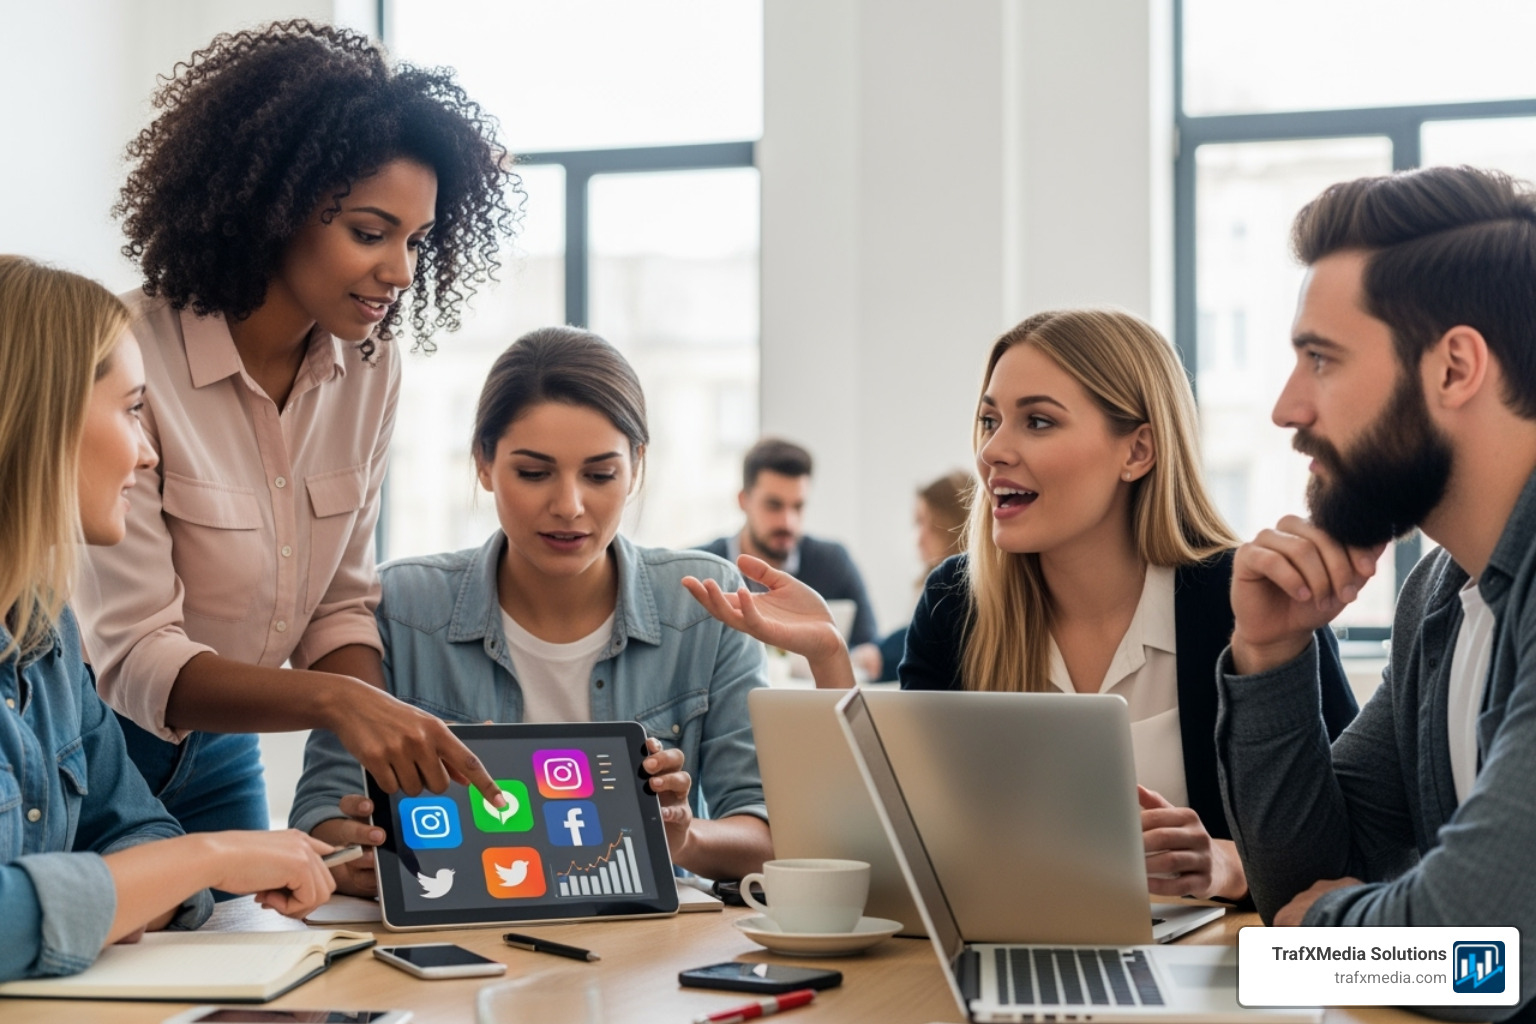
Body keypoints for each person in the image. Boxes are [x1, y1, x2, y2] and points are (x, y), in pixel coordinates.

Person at [686, 309, 1356, 902]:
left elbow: (1352, 850)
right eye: (989, 420)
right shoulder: (956, 604)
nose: (993, 451)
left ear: (1139, 449)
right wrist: (831, 659)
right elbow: (895, 845)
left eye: (1037, 421)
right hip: (1006, 970)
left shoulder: (1247, 603)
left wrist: (1231, 865)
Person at [75, 21, 518, 836]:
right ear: (271, 209)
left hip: (219, 749)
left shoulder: (371, 367)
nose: (402, 271)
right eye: (369, 231)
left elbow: (340, 603)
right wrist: (343, 705)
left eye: (417, 240)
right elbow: (136, 656)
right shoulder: (129, 356)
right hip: (95, 751)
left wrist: (382, 741)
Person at [291, 326, 774, 891]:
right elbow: (321, 820)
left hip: (641, 953)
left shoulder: (704, 603)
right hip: (460, 948)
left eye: (600, 475)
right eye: (533, 473)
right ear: (483, 463)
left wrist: (682, 838)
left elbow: (766, 834)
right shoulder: (398, 608)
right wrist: (376, 856)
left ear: (636, 467)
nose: (568, 506)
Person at [1218, 166, 1536, 1020]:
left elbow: (1473, 950)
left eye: (1320, 359)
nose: (1287, 409)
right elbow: (1293, 872)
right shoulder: (1439, 591)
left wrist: (1314, 938)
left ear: (1455, 366)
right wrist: (1272, 652)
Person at [0, 256, 337, 983]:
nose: (148, 450)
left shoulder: (45, 632)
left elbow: (132, 826)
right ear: (37, 415)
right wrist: (203, 859)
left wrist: (134, 884)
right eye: (130, 410)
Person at [696, 437, 882, 675]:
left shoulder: (833, 562)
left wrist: (866, 656)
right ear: (744, 501)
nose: (788, 522)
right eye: (774, 505)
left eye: (798, 507)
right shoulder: (701, 566)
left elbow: (869, 643)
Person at [871, 469, 972, 680]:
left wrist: (880, 656)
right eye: (917, 523)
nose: (918, 538)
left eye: (929, 524)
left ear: (953, 526)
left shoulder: (960, 597)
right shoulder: (928, 586)